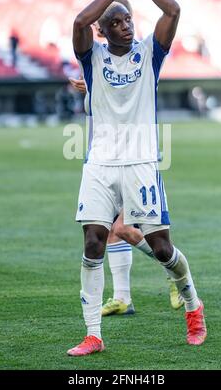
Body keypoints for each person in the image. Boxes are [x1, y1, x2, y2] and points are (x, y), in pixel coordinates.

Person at [67, 0, 206, 356]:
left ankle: (193, 307)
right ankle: (94, 334)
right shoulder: (92, 60)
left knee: (161, 248)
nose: (127, 25)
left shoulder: (150, 54)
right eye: (118, 23)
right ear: (104, 32)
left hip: (142, 162)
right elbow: (79, 21)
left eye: (128, 20)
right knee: (94, 243)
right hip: (100, 164)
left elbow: (173, 11)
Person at [70, 73, 184, 315]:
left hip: (136, 159)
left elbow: (128, 99)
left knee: (122, 228)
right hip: (106, 160)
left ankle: (173, 273)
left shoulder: (128, 59)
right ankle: (123, 298)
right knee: (112, 229)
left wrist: (94, 86)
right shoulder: (97, 60)